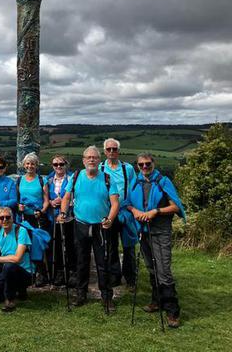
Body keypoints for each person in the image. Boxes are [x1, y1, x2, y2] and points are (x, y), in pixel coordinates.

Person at [125, 153, 186, 328]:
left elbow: (175, 206)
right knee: (152, 268)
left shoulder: (163, 181)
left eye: (147, 164)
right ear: (137, 166)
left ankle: (172, 311)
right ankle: (156, 301)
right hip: (143, 231)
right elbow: (127, 203)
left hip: (160, 231)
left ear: (154, 163)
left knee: (164, 271)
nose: (144, 167)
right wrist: (134, 211)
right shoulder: (136, 182)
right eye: (141, 164)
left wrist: (156, 212)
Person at [58, 146, 120, 311]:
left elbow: (115, 203)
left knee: (103, 262)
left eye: (94, 157)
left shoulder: (107, 178)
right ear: (83, 160)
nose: (91, 160)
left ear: (99, 161)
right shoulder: (76, 177)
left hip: (101, 226)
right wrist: (63, 212)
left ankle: (106, 297)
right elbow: (66, 197)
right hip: (81, 224)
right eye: (88, 157)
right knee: (81, 261)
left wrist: (110, 219)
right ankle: (81, 294)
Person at [0, 207, 34, 312]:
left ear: (12, 218)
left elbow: (17, 258)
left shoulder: (21, 231)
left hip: (25, 273)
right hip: (7, 272)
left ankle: (10, 300)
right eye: (2, 218)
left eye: (8, 217)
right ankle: (16, 292)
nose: (5, 220)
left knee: (9, 266)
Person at [100, 138, 138, 288]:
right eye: (109, 149)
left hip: (126, 211)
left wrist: (134, 208)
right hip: (109, 212)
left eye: (114, 149)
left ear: (118, 151)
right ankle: (115, 276)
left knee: (129, 246)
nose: (111, 152)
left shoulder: (127, 168)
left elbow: (134, 188)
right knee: (111, 246)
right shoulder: (101, 167)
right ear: (104, 151)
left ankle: (131, 278)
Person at [16, 152, 49, 286]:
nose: (30, 166)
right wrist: (19, 207)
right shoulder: (19, 180)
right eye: (28, 163)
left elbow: (46, 200)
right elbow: (17, 200)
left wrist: (41, 211)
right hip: (24, 217)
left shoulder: (42, 180)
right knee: (25, 245)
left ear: (36, 165)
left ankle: (41, 273)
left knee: (38, 245)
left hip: (38, 216)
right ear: (24, 165)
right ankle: (28, 272)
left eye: (33, 164)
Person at [46, 154, 76, 286]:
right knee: (56, 244)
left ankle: (72, 272)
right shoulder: (48, 179)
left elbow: (75, 197)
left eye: (61, 164)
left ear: (66, 165)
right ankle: (59, 272)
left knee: (70, 244)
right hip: (53, 217)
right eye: (55, 165)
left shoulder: (72, 179)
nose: (58, 167)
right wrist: (51, 202)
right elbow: (44, 196)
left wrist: (65, 202)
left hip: (68, 217)